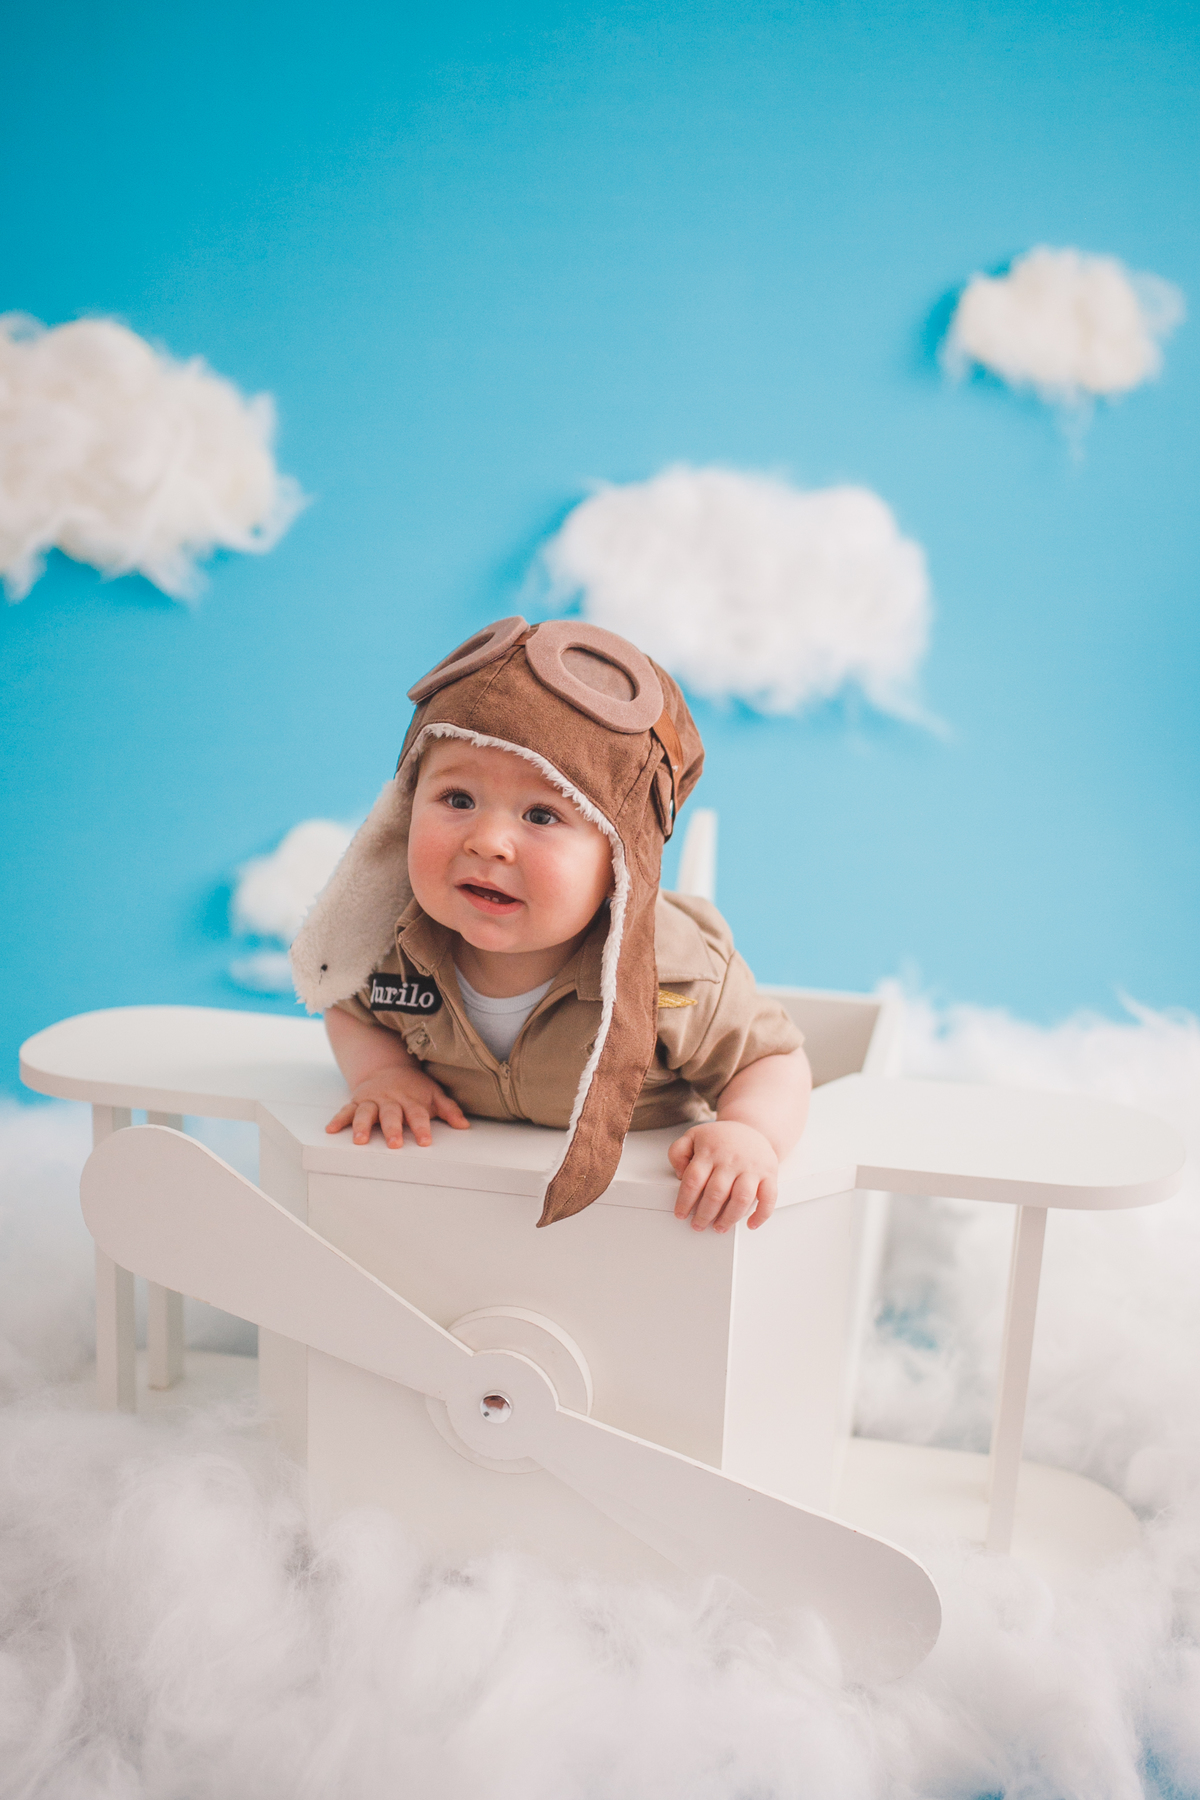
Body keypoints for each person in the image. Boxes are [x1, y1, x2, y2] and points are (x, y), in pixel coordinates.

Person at [290, 616, 811, 1233]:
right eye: (457, 800)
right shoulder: (389, 944)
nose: (488, 842)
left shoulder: (680, 976)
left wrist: (749, 1132)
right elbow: (347, 1007)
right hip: (465, 1218)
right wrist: (384, 1074)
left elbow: (770, 1059)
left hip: (639, 1225)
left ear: (623, 858)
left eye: (541, 814)